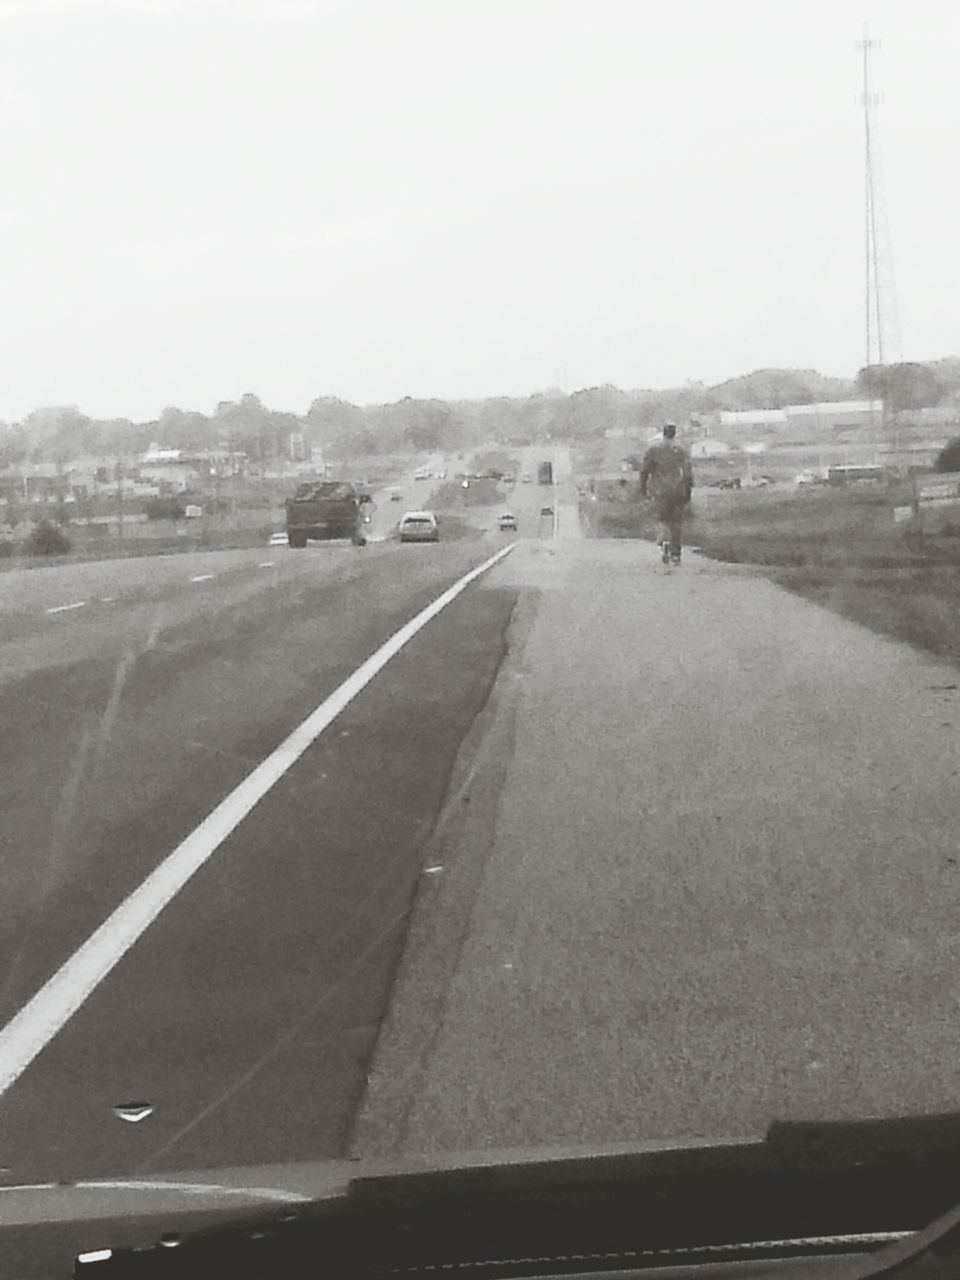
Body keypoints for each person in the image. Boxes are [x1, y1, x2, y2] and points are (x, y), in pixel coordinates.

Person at [639, 422, 694, 565]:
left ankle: (664, 543)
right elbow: (688, 473)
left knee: (662, 518)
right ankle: (675, 553)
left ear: (663, 433)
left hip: (660, 490)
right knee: (676, 521)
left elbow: (645, 471)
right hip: (678, 490)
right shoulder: (681, 450)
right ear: (674, 433)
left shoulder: (654, 449)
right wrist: (688, 491)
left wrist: (643, 488)